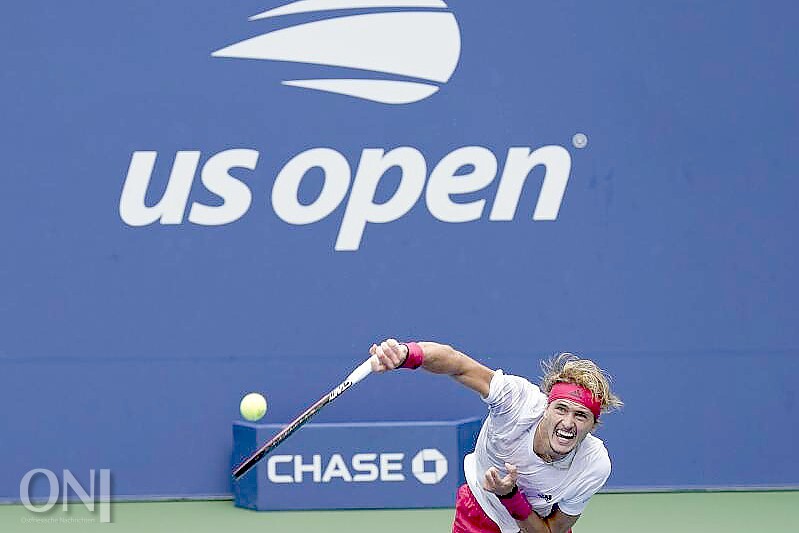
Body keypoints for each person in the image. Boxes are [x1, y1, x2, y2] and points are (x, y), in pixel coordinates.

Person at [369, 339, 622, 533]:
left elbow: (550, 530)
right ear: (546, 407)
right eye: (561, 409)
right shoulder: (517, 402)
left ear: (593, 425)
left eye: (581, 416)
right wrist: (406, 354)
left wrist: (511, 496)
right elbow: (457, 364)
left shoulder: (594, 463)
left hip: (533, 521)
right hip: (481, 511)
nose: (568, 423)